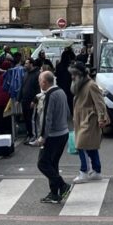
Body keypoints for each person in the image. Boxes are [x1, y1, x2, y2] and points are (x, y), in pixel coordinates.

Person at [69, 62, 109, 183]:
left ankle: (84, 172)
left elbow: (100, 103)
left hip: (89, 119)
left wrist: (101, 118)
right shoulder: (80, 84)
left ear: (80, 74)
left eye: (74, 74)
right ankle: (97, 171)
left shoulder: (91, 85)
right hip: (81, 120)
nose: (72, 77)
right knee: (90, 146)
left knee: (81, 145)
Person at [36, 71, 71, 204]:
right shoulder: (61, 91)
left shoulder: (50, 95)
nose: (39, 83)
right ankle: (54, 194)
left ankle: (62, 185)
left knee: (42, 163)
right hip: (63, 132)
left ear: (44, 82)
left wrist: (42, 136)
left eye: (40, 81)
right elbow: (68, 112)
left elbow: (47, 117)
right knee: (53, 163)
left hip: (53, 135)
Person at [20, 58, 43, 143]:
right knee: (26, 118)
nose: (25, 65)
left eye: (27, 63)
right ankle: (29, 134)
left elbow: (38, 89)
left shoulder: (37, 74)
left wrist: (34, 100)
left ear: (31, 64)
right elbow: (22, 86)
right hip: (24, 100)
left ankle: (34, 136)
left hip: (32, 101)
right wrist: (19, 99)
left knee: (32, 119)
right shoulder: (26, 74)